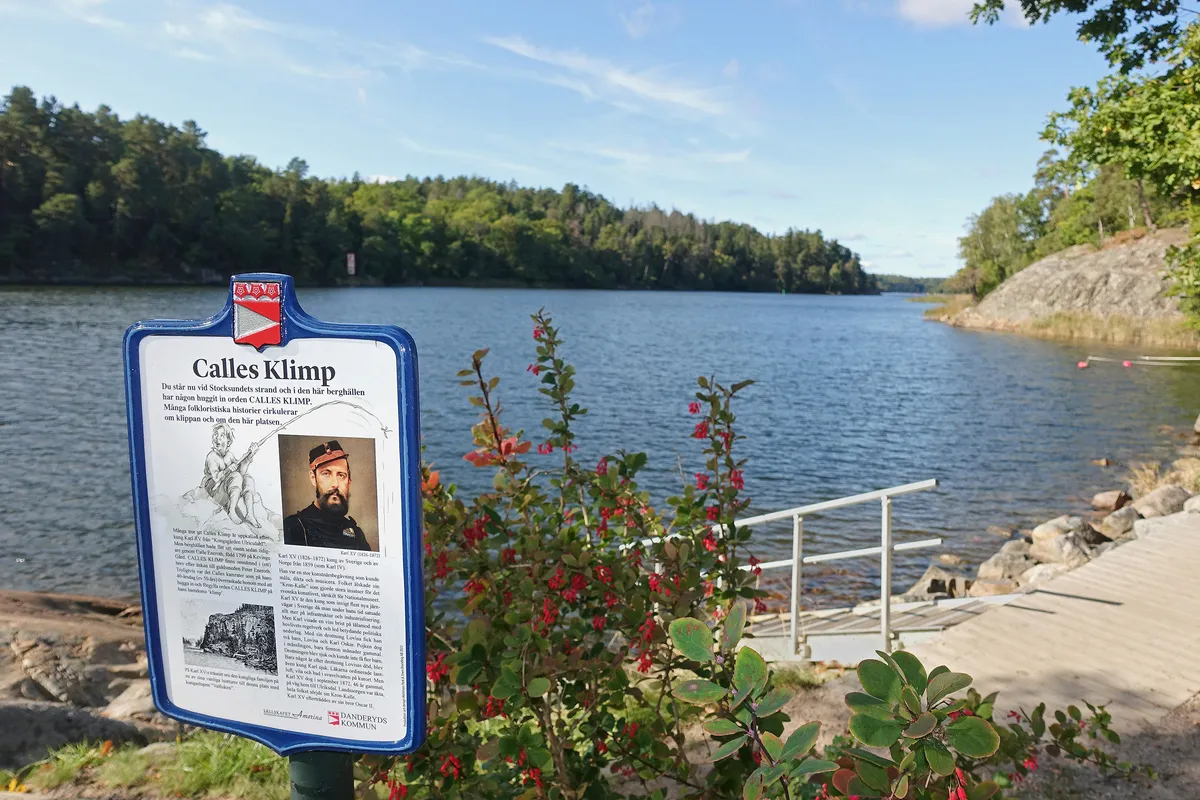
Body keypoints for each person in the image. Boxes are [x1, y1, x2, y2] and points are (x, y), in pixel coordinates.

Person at [283, 440, 372, 551]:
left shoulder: (356, 535)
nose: (335, 484)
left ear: (349, 480)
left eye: (341, 475)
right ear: (313, 478)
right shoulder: (292, 528)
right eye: (326, 474)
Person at [203, 423, 262, 528]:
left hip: (226, 490)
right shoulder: (212, 457)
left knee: (248, 479)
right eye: (216, 434)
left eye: (222, 436)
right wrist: (227, 471)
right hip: (215, 492)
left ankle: (250, 514)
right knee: (236, 477)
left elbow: (242, 472)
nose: (218, 438)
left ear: (228, 441)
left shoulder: (229, 456)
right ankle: (231, 510)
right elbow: (216, 477)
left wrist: (248, 457)